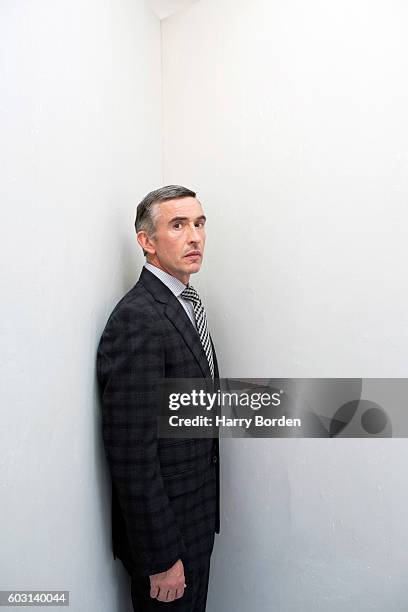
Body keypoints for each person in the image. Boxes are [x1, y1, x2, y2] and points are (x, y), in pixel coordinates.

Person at [97, 185, 220, 611]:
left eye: (200, 223)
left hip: (195, 518)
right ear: (146, 242)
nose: (195, 237)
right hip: (166, 541)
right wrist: (162, 556)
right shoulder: (139, 317)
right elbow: (132, 453)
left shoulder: (186, 302)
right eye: (178, 225)